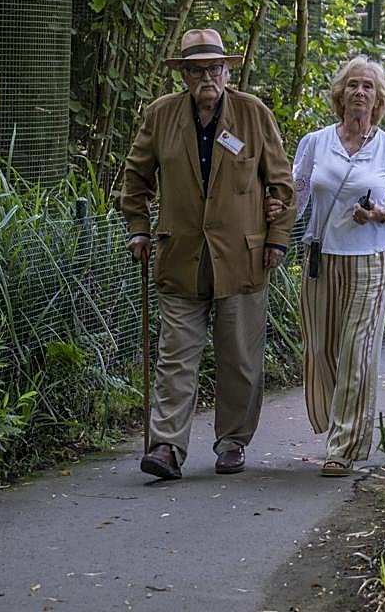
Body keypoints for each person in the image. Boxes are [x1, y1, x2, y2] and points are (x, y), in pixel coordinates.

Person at [122, 27, 297, 480]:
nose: (208, 77)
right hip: (179, 256)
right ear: (182, 74)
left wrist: (277, 238)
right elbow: (136, 178)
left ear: (226, 70)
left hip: (243, 258)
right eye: (197, 69)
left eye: (215, 68)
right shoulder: (161, 116)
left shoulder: (252, 114)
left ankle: (232, 442)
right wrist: (139, 230)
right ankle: (166, 448)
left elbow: (282, 184)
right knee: (176, 356)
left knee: (240, 357)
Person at [280, 56, 385, 477]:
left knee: (356, 353)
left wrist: (379, 214)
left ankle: (343, 445)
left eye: (368, 87)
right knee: (321, 349)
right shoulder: (315, 143)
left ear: (378, 100)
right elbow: (295, 196)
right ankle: (336, 420)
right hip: (320, 258)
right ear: (340, 94)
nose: (360, 92)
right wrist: (268, 234)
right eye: (353, 85)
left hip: (370, 262)